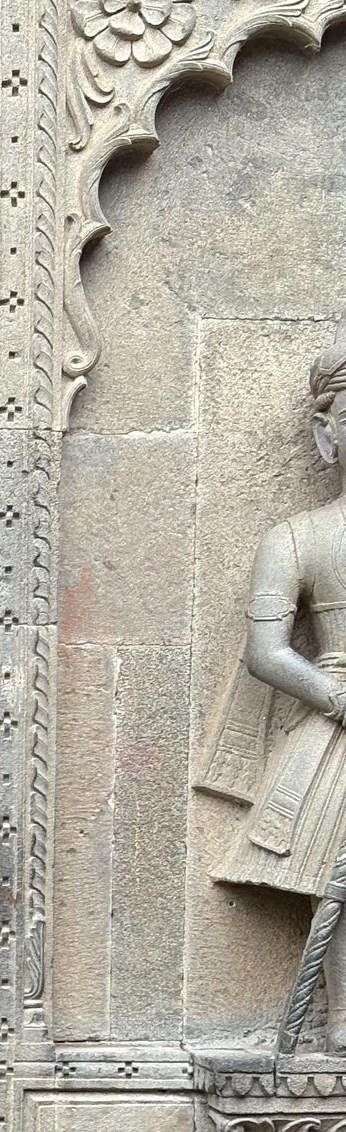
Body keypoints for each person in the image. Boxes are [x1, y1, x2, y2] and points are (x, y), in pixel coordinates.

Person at [208, 324, 346, 1047]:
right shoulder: (297, 537)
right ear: (326, 433)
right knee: (335, 886)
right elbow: (267, 652)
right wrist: (334, 696)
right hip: (334, 721)